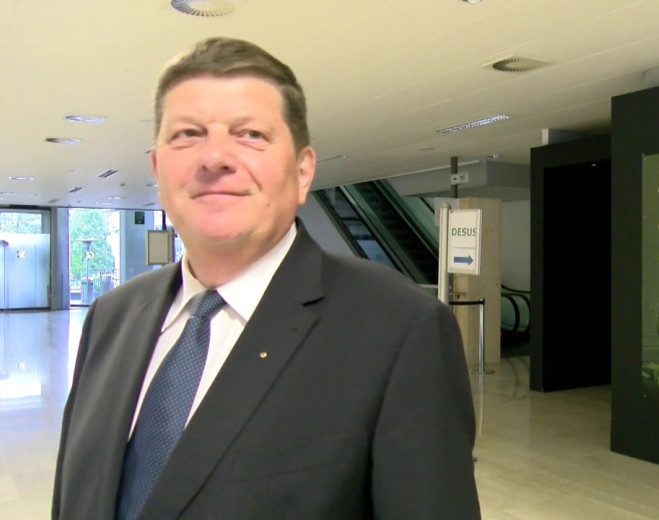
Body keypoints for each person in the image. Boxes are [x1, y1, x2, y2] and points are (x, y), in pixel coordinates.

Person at [52, 36, 481, 519]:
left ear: (302, 172)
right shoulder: (111, 317)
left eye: (251, 134)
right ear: (157, 167)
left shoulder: (401, 329)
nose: (214, 158)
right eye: (187, 134)